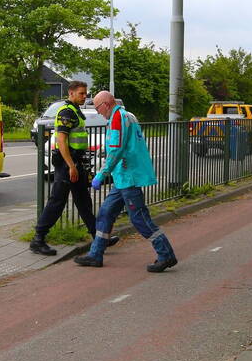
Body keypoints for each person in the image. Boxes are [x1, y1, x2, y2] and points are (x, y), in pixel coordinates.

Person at [74, 91, 177, 272]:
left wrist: (101, 174)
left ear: (106, 104)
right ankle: (96, 254)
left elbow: (116, 150)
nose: (98, 112)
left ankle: (166, 254)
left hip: (127, 176)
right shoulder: (128, 115)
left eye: (98, 108)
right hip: (123, 177)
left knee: (139, 219)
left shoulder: (117, 118)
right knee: (105, 214)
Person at [30, 81, 99, 255]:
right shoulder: (66, 112)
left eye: (85, 93)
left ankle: (98, 237)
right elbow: (61, 141)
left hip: (76, 162)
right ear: (71, 93)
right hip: (67, 163)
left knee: (83, 200)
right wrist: (71, 166)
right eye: (81, 94)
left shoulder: (75, 110)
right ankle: (38, 239)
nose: (85, 97)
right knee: (57, 201)